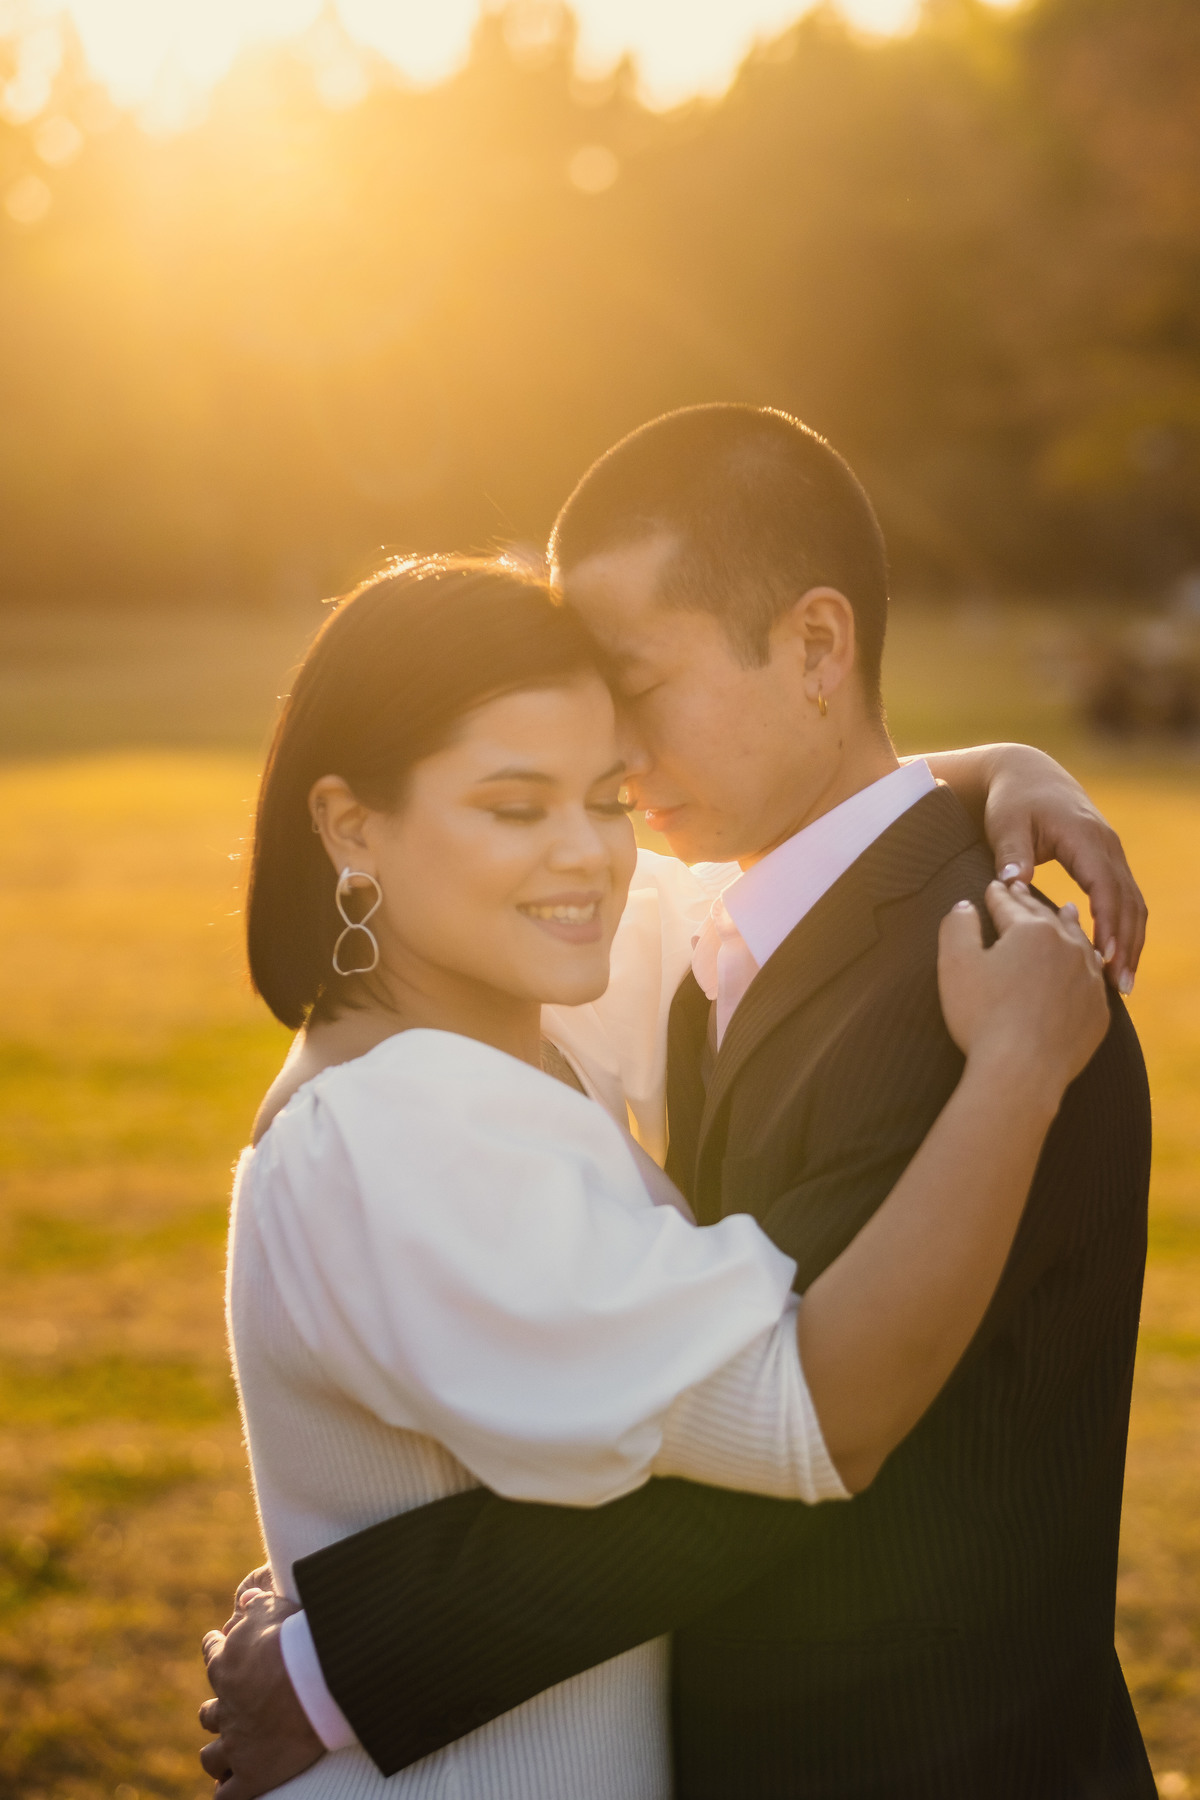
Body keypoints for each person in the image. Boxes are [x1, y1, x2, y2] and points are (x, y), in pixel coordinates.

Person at [202, 410, 1152, 1800]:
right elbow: (779, 1421)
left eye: (625, 704)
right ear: (354, 828)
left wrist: (1005, 765)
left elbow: (790, 1444)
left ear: (819, 648)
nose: (607, 805)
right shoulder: (467, 1067)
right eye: (525, 797)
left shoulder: (954, 988)